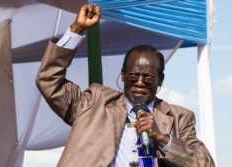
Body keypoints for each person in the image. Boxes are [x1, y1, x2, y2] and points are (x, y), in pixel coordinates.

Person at [36, 3, 215, 167]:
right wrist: (76, 29)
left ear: (160, 80)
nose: (139, 82)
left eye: (148, 77)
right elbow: (49, 79)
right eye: (133, 76)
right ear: (122, 76)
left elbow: (204, 164)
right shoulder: (95, 104)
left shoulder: (179, 118)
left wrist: (161, 138)